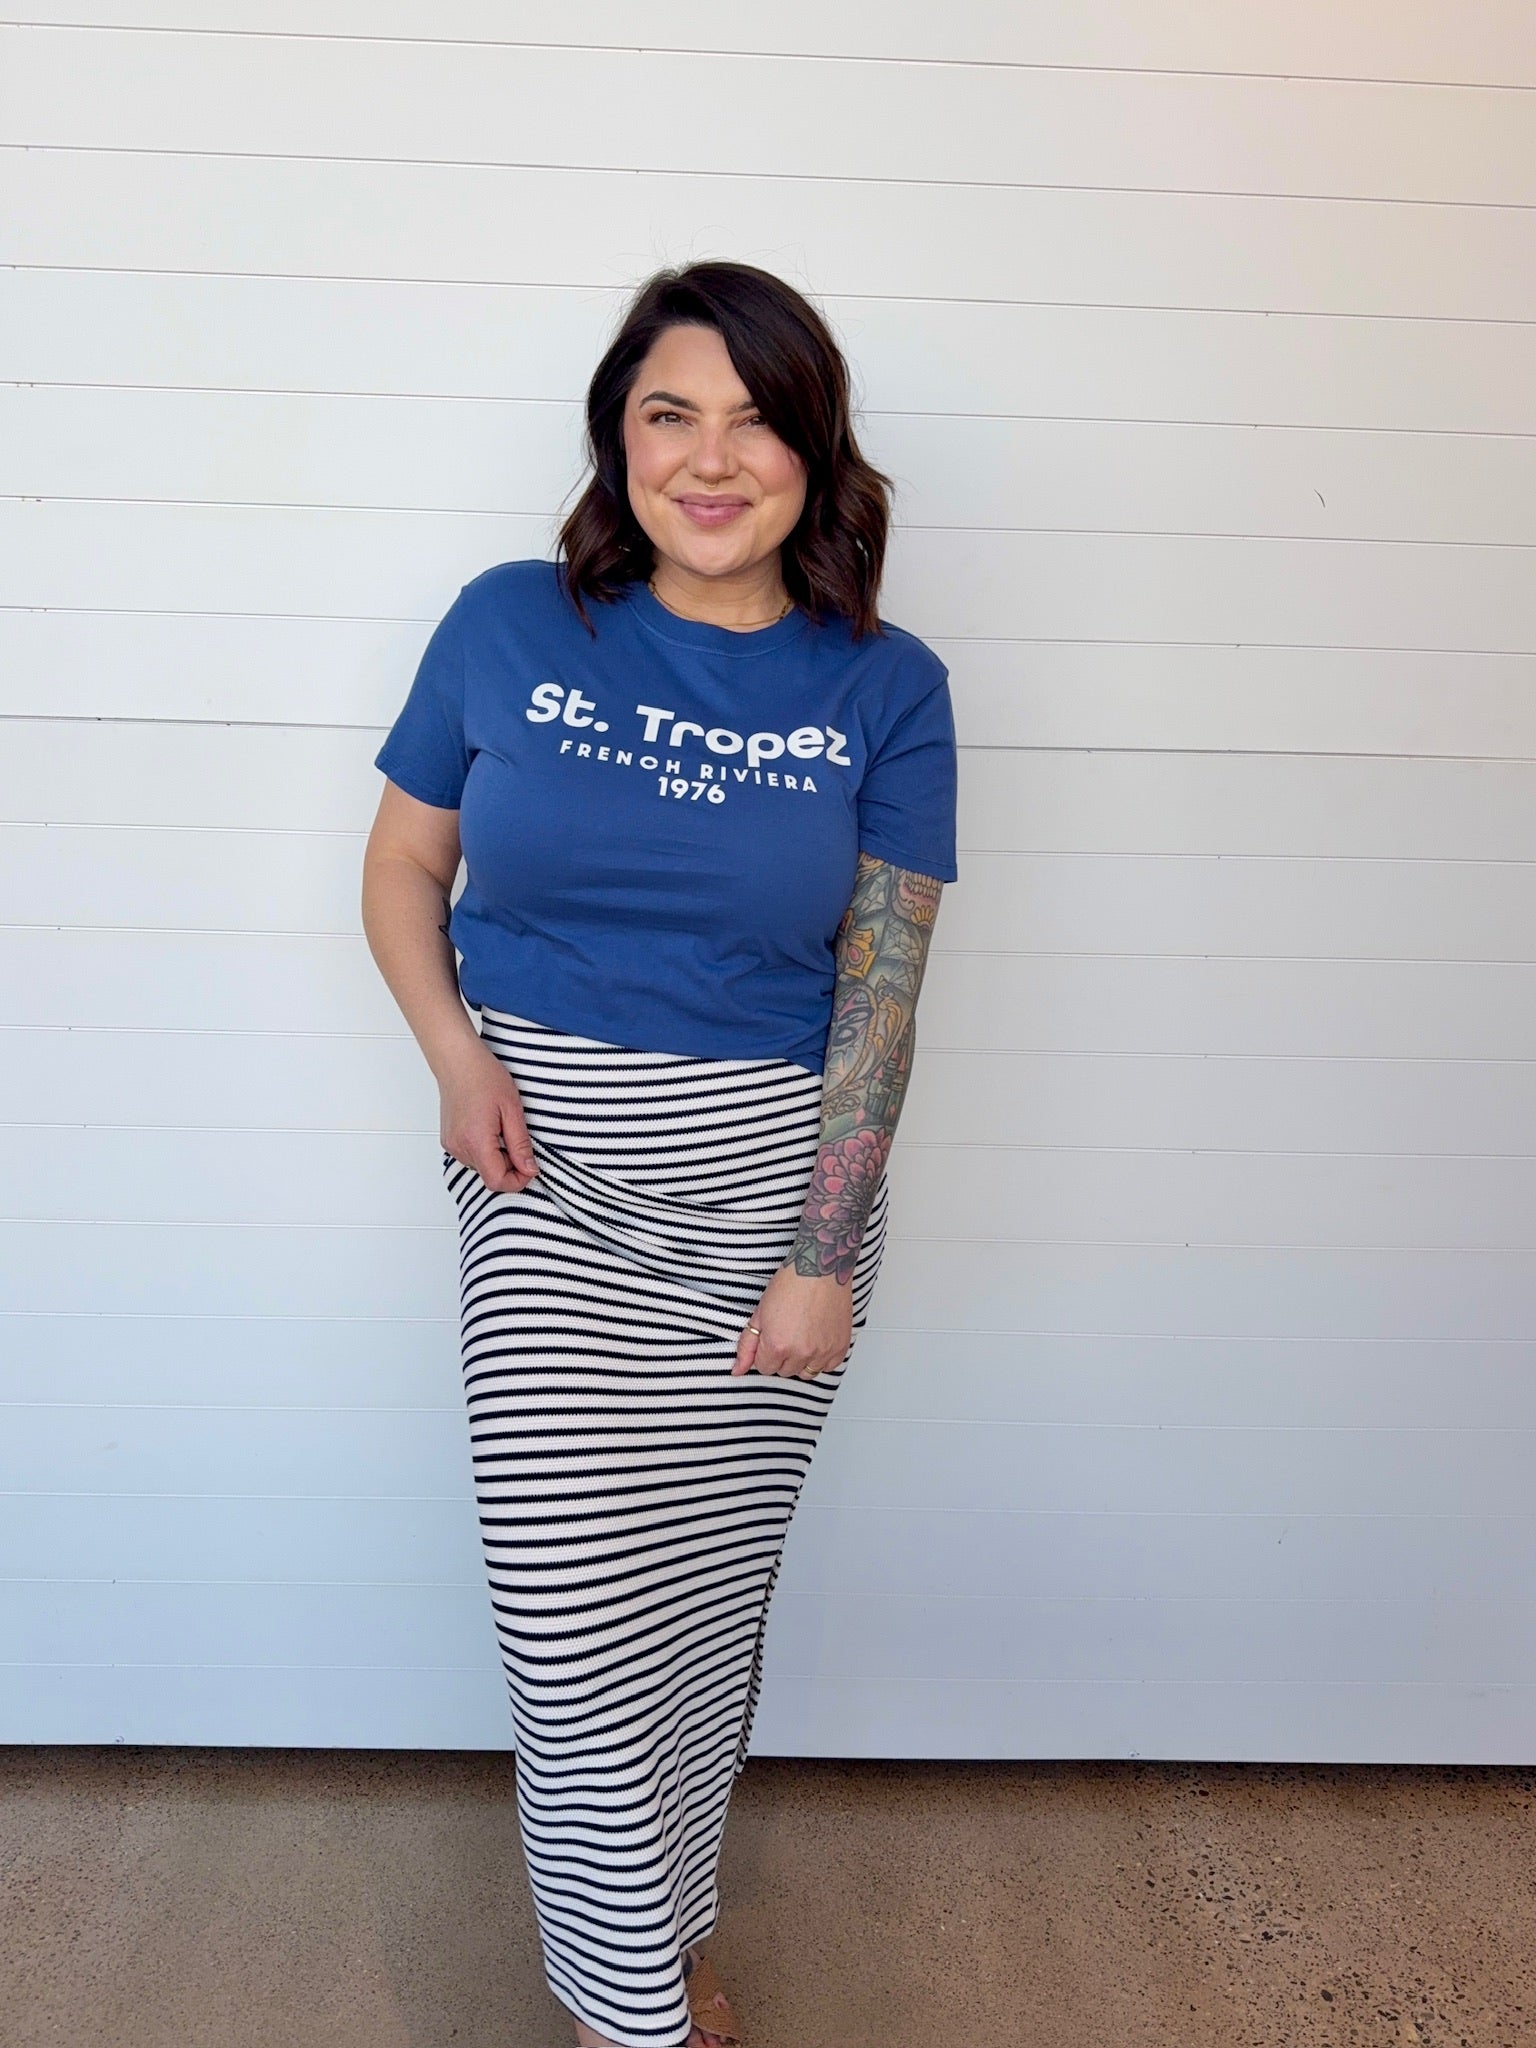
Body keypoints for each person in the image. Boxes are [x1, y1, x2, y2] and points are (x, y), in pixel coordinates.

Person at [361, 259, 958, 2048]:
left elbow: (882, 994)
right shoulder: (507, 624)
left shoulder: (888, 687)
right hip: (546, 1175)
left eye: (757, 422)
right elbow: (403, 869)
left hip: (773, 1198)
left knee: (696, 1614)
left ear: (816, 450)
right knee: (568, 1624)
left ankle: (666, 1919)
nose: (711, 458)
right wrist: (456, 1058)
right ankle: (633, 2012)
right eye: (669, 414)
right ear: (617, 441)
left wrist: (823, 1258)